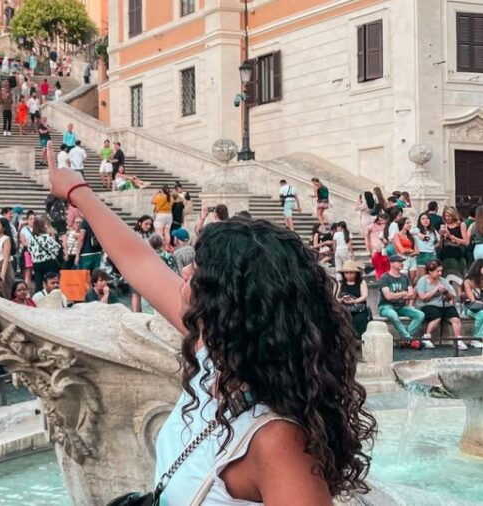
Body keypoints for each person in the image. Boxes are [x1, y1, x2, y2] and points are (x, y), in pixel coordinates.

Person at [45, 145, 374, 505]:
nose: (184, 270)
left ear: (228, 304)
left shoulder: (277, 442)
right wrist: (77, 190)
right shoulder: (215, 354)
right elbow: (139, 262)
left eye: (200, 270)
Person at [416, 260, 474, 350]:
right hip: (427, 305)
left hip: (443, 305)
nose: (440, 273)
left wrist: (446, 292)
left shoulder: (443, 281)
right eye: (437, 271)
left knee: (455, 317)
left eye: (441, 271)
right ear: (430, 272)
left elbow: (451, 297)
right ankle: (426, 337)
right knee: (436, 316)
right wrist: (435, 289)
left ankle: (457, 340)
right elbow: (423, 297)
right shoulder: (422, 281)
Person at [378, 254, 425, 343]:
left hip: (401, 306)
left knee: (420, 315)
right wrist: (403, 293)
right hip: (385, 306)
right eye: (399, 262)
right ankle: (408, 338)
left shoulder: (404, 277)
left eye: (402, 261)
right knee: (393, 314)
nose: (402, 263)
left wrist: (395, 296)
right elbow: (388, 296)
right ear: (391, 263)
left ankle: (406, 338)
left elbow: (411, 294)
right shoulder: (385, 277)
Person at [336, 260, 369, 339]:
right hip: (345, 309)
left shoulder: (361, 282)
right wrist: (342, 300)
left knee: (359, 320)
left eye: (352, 273)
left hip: (359, 309)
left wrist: (354, 301)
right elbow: (336, 297)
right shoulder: (340, 284)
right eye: (347, 273)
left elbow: (364, 295)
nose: (349, 275)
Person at [28, 217, 63, 293]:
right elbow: (57, 248)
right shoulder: (46, 237)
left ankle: (38, 298)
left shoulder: (31, 239)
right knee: (51, 281)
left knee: (38, 284)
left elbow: (30, 250)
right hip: (48, 263)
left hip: (36, 263)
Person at [440, 205, 469, 284]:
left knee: (456, 276)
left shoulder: (461, 225)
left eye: (449, 216)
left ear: (454, 215)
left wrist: (452, 237)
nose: (447, 218)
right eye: (446, 216)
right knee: (446, 274)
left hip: (456, 252)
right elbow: (441, 243)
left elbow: (466, 242)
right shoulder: (444, 225)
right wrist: (441, 236)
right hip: (445, 252)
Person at [0, 217, 16, 299]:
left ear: (3, 228)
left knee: (5, 292)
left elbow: (6, 258)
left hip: (3, 266)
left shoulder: (6, 239)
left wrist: (3, 274)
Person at [413, 212, 440, 277]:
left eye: (427, 218)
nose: (425, 220)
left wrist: (434, 246)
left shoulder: (433, 231)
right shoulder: (416, 229)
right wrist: (418, 234)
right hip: (421, 255)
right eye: (423, 219)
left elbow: (439, 241)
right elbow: (409, 231)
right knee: (421, 277)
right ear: (419, 221)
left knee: (433, 276)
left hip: (432, 255)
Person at [463, 259, 483, 341]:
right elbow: (473, 300)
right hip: (471, 307)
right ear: (479, 268)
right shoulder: (468, 281)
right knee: (482, 314)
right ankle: (475, 338)